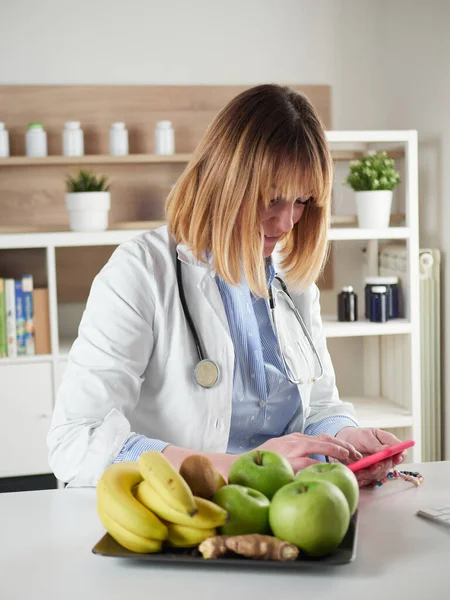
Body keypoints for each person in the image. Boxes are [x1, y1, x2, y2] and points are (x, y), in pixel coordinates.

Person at [47, 84, 406, 488]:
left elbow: (319, 404)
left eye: (303, 201)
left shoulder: (288, 272)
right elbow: (77, 438)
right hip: (188, 507)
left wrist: (346, 437)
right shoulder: (141, 271)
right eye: (272, 199)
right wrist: (238, 466)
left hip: (292, 501)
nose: (288, 223)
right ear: (224, 182)